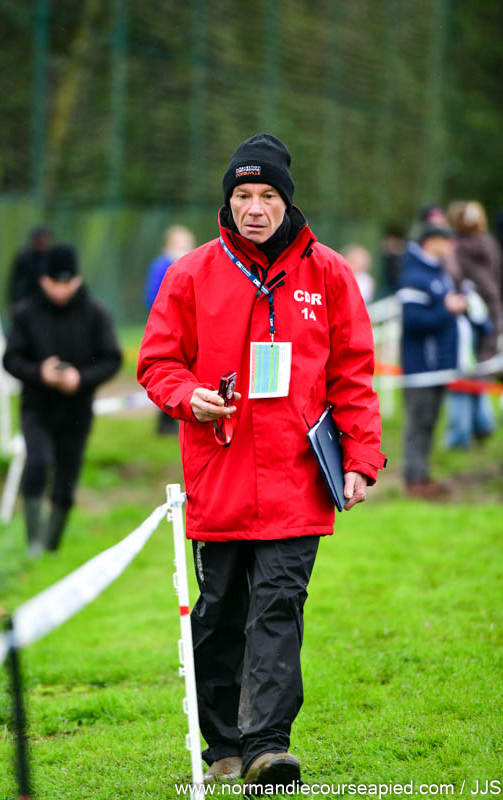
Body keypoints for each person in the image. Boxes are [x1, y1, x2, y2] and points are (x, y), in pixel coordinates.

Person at [137, 134, 386, 789]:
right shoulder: (190, 273)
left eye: (267, 195)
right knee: (220, 613)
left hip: (297, 481)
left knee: (277, 607)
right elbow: (157, 363)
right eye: (243, 194)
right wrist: (187, 396)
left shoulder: (328, 273)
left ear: (286, 201)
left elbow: (353, 374)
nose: (254, 207)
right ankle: (223, 744)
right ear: (228, 201)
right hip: (217, 477)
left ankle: (267, 748)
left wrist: (360, 458)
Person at [3, 244, 122, 555]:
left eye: (67, 283)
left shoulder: (96, 313)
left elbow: (111, 359)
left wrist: (80, 378)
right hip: (37, 406)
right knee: (38, 462)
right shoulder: (25, 313)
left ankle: (51, 545)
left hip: (77, 409)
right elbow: (11, 359)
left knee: (67, 476)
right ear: (43, 280)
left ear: (78, 280)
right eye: (54, 282)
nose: (60, 290)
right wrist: (40, 372)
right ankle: (34, 543)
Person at [397, 225, 468, 498]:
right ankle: (413, 480)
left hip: (439, 367)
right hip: (421, 368)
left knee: (429, 423)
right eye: (445, 240)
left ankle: (423, 477)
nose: (451, 245)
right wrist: (446, 309)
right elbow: (412, 319)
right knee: (418, 423)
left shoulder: (439, 273)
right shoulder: (414, 275)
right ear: (430, 242)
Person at [446, 201, 502, 447]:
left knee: (462, 372)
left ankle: (460, 434)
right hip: (492, 311)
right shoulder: (489, 244)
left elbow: (453, 277)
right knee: (482, 367)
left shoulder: (455, 248)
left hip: (467, 314)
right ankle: (483, 421)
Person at [144, 225, 196, 434]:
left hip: (189, 326)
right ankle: (165, 420)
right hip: (167, 325)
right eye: (180, 243)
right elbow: (153, 295)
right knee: (166, 370)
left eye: (187, 243)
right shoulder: (161, 265)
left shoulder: (193, 264)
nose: (184, 247)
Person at [8, 225, 52, 308]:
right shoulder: (25, 257)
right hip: (27, 298)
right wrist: (14, 300)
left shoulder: (51, 257)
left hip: (47, 298)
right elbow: (15, 281)